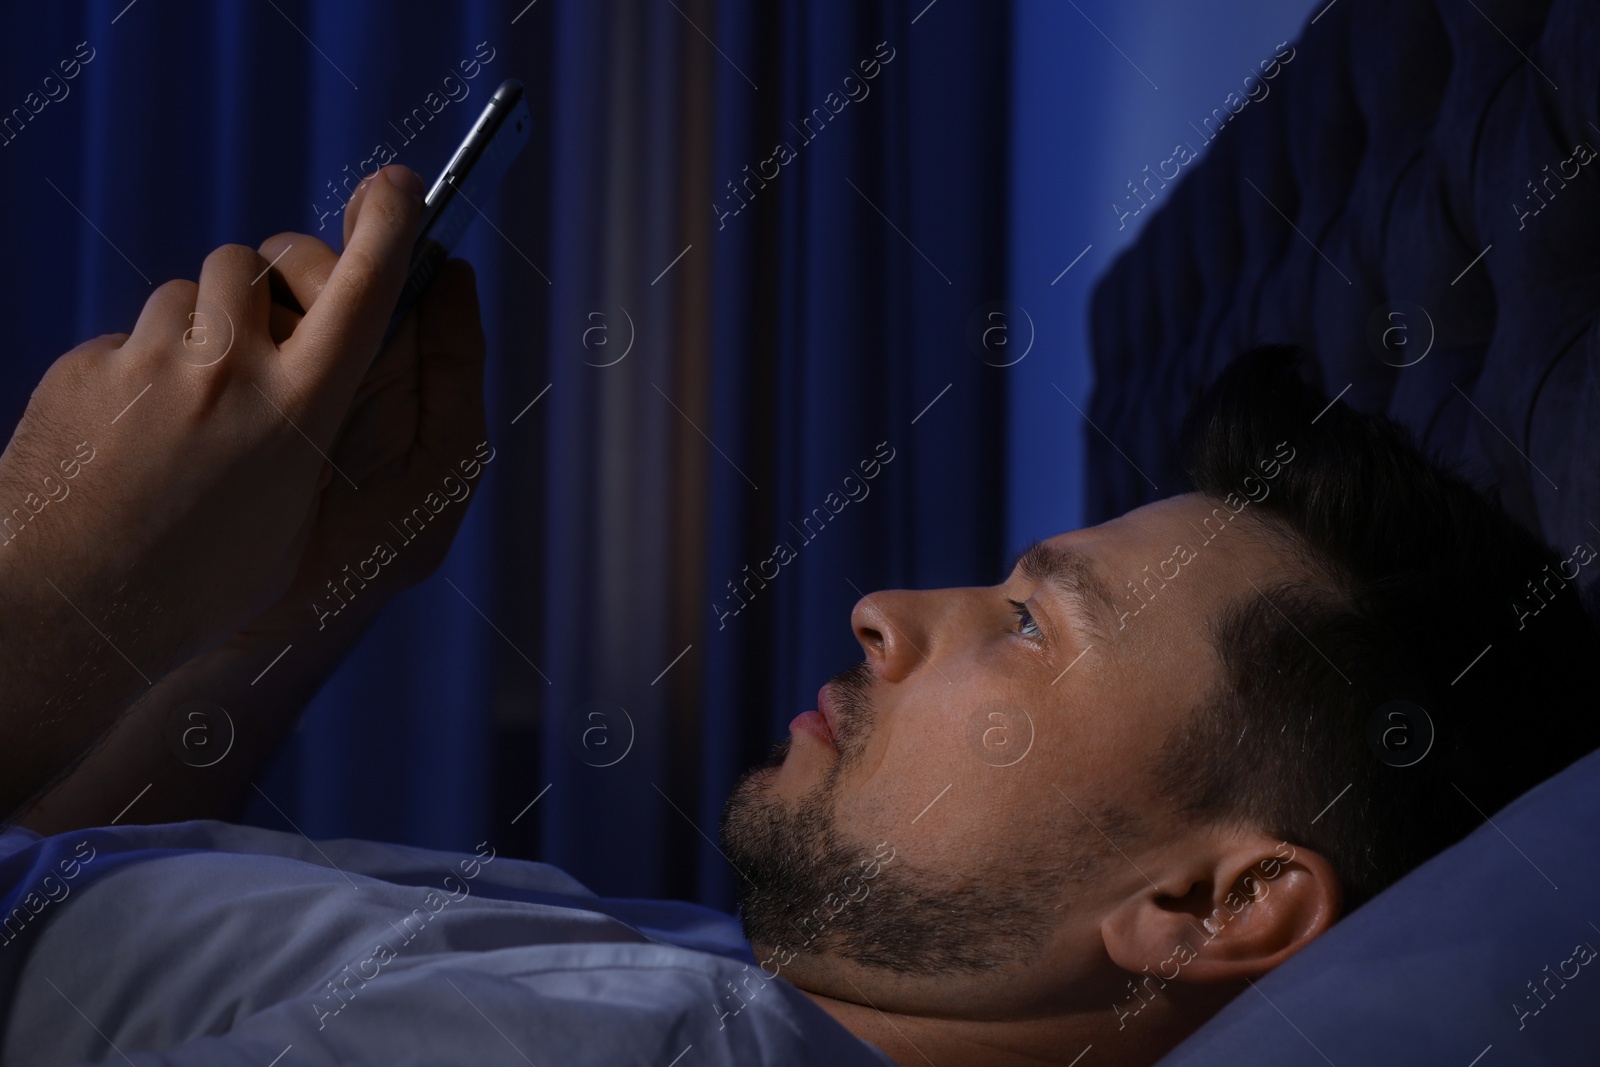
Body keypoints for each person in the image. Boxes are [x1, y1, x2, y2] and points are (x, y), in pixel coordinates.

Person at [0, 168, 1595, 1065]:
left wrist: (56, 590)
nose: (887, 610)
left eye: (1038, 627)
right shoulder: (732, 985)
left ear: (1217, 902)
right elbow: (89, 918)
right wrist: (303, 601)